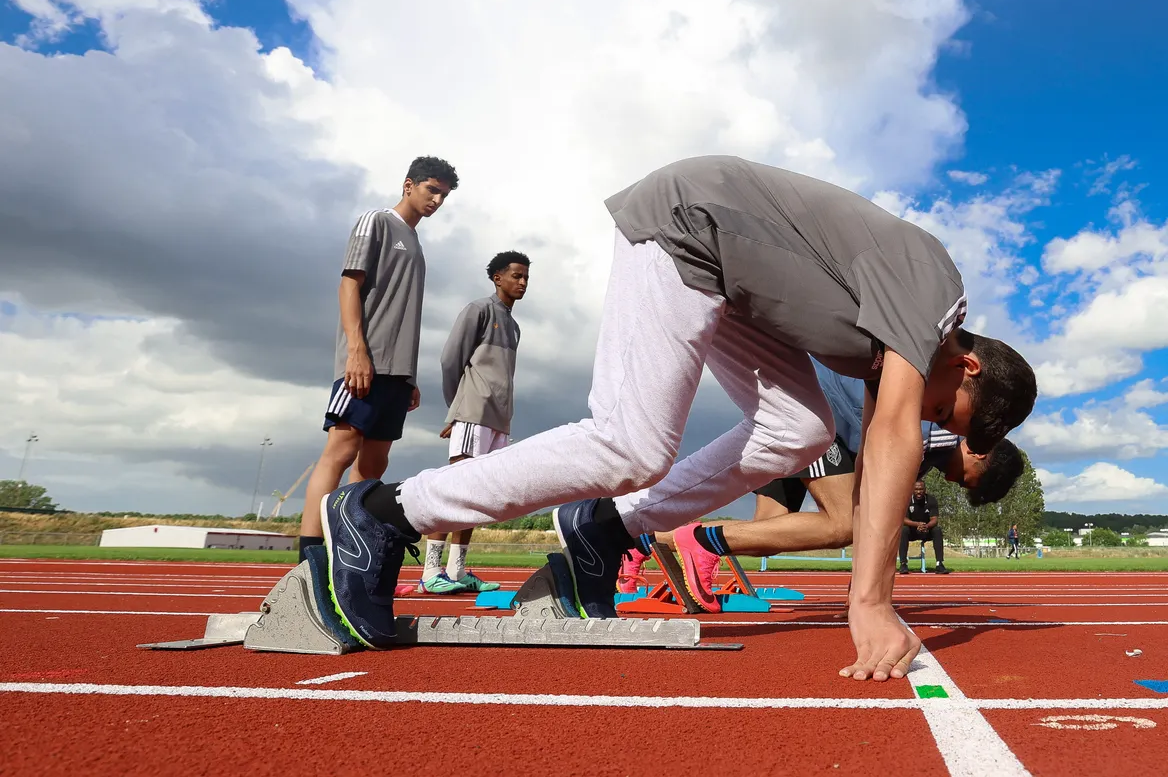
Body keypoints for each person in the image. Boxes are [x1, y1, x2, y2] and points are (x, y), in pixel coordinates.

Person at [320, 155, 1037, 682]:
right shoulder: (935, 301)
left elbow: (881, 452)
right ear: (969, 365)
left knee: (800, 430)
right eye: (946, 409)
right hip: (689, 230)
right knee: (630, 444)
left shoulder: (909, 330)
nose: (928, 417)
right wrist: (870, 603)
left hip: (736, 281)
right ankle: (383, 512)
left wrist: (873, 583)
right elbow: (890, 440)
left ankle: (606, 527)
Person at [648, 361, 1023, 606]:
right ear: (981, 455)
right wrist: (868, 598)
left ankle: (649, 539)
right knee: (843, 522)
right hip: (816, 409)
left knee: (768, 531)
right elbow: (872, 515)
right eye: (974, 484)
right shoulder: (937, 435)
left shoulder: (931, 455)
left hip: (813, 408)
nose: (964, 487)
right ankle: (699, 542)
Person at [297, 157, 458, 560]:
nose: (436, 200)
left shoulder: (416, 242)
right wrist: (357, 351)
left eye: (444, 195)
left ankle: (346, 550)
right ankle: (310, 555)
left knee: (374, 465)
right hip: (364, 362)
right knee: (340, 453)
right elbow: (349, 285)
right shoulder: (376, 221)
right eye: (431, 190)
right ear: (408, 186)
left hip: (396, 372)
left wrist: (409, 377)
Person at [416, 251, 531, 594]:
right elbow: (450, 359)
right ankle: (430, 573)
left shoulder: (513, 325)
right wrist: (458, 408)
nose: (522, 282)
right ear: (497, 277)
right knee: (456, 490)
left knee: (480, 497)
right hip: (472, 413)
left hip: (499, 420)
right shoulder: (479, 310)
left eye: (525, 277)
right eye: (515, 276)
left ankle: (457, 570)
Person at [898, 479, 948, 575]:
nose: (918, 492)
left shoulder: (931, 500)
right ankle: (903, 564)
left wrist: (926, 526)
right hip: (912, 531)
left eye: (921, 489)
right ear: (912, 490)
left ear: (925, 490)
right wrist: (917, 524)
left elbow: (934, 519)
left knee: (937, 530)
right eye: (916, 489)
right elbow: (903, 519)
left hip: (926, 530)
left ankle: (939, 564)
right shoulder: (906, 500)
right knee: (903, 530)